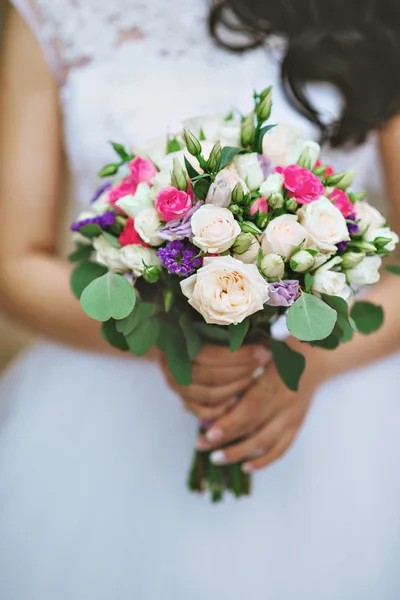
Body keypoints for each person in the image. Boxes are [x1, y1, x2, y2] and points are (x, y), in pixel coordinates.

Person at [0, 0, 399, 598]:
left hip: (343, 410)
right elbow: (14, 263)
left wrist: (314, 364)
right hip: (113, 411)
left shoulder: (371, 12)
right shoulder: (51, 12)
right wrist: (166, 336)